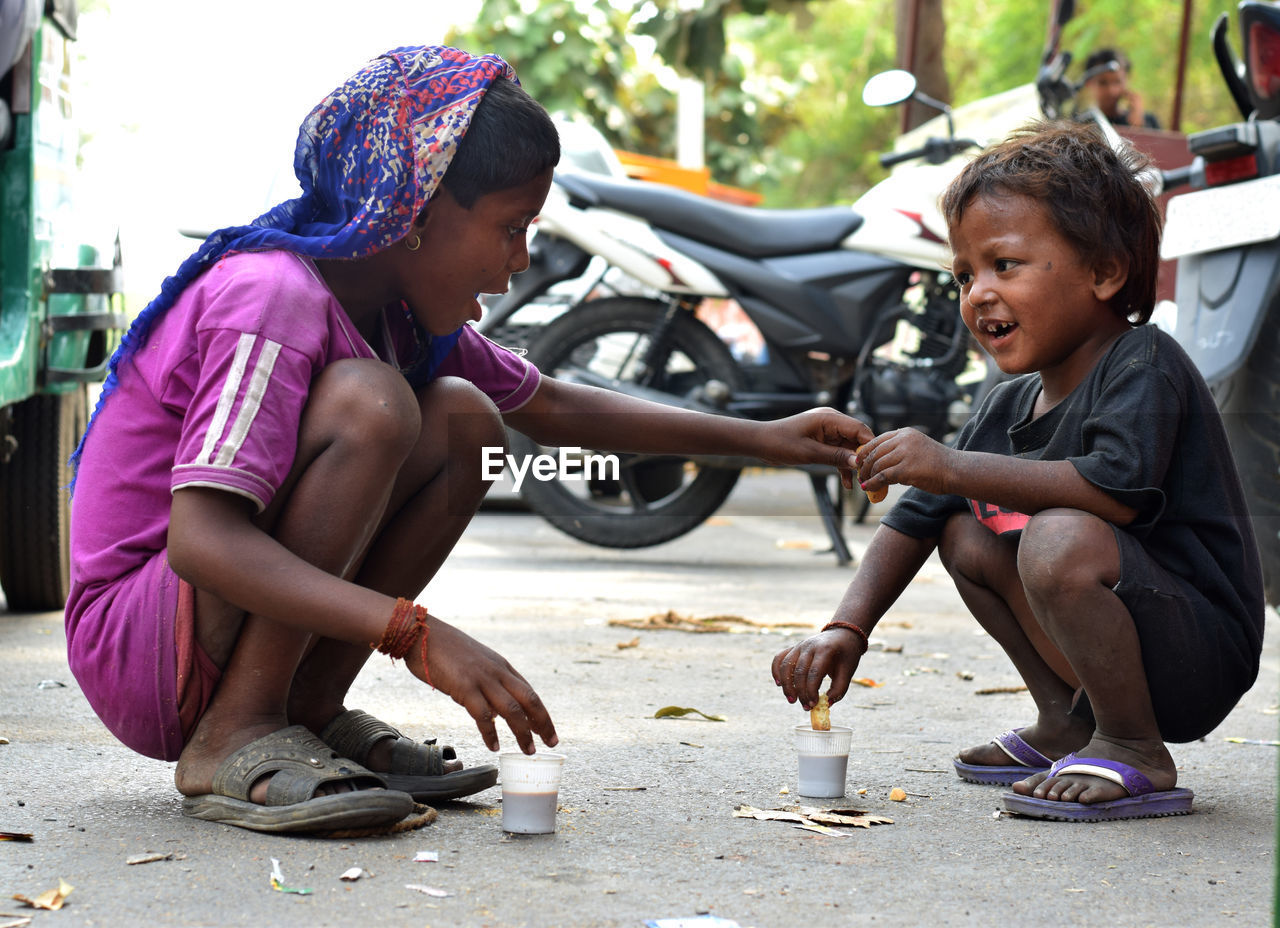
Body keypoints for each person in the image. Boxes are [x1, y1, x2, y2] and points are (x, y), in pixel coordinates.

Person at [66, 45, 874, 835]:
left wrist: (769, 439)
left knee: (467, 422)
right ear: (414, 215)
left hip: (194, 625)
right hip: (141, 646)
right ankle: (235, 731)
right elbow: (202, 542)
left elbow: (552, 406)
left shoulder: (394, 307)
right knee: (376, 404)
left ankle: (303, 711)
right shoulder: (270, 297)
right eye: (511, 227)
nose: (522, 259)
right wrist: (414, 633)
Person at [771, 121, 1264, 822]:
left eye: (1005, 265)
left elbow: (1116, 492)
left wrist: (949, 464)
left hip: (1198, 654)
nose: (977, 294)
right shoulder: (1007, 402)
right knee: (962, 535)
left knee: (1059, 537)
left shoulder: (1145, 365)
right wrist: (846, 628)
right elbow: (913, 518)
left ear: (1104, 271)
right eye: (966, 274)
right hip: (1121, 650)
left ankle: (1135, 746)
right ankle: (1068, 721)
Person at [1082, 48, 1161, 129]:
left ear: (1128, 79)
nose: (1111, 91)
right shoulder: (1082, 125)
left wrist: (1139, 126)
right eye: (1103, 83)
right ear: (1088, 83)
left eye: (1117, 82)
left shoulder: (1149, 122)